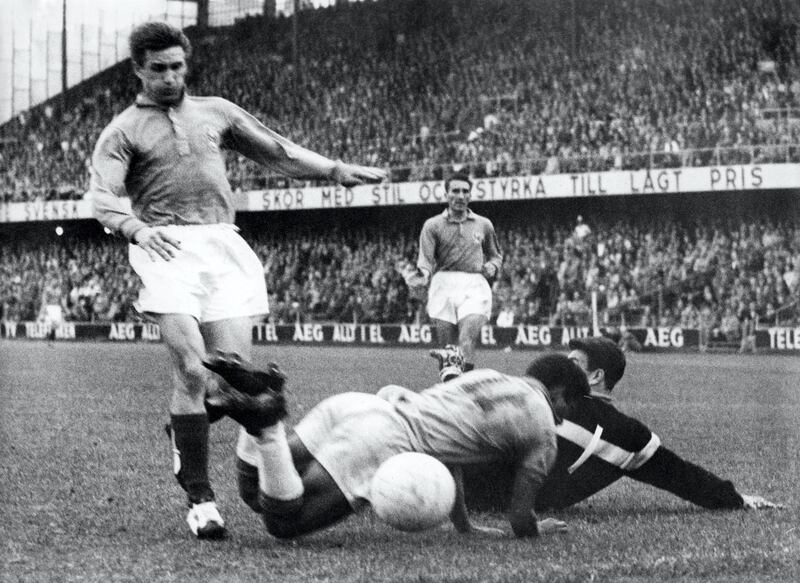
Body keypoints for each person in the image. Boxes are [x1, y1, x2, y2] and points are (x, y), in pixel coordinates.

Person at [88, 22, 385, 540]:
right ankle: (201, 499)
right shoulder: (121, 131)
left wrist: (335, 169)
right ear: (138, 69)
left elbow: (277, 150)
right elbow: (103, 197)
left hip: (223, 246)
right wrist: (135, 229)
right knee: (191, 367)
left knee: (233, 382)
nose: (169, 77)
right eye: (157, 69)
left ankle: (187, 430)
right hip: (165, 246)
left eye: (177, 66)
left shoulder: (217, 111)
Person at [203, 351, 591, 539]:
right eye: (569, 407)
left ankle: (257, 399)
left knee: (256, 493)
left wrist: (465, 525)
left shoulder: (490, 376)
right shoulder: (543, 434)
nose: (565, 417)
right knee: (282, 522)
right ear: (559, 394)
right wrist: (539, 531)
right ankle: (267, 423)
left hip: (360, 406)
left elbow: (449, 448)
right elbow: (519, 518)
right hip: (384, 440)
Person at [461, 337, 781, 512]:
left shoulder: (614, 429)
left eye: (571, 365)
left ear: (596, 377)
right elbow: (680, 475)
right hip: (478, 492)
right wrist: (735, 499)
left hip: (468, 489)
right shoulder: (625, 434)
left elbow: (679, 473)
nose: (559, 368)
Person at [399, 171, 502, 378]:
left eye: (465, 191)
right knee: (447, 348)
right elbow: (426, 260)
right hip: (443, 283)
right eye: (455, 190)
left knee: (466, 338)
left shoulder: (484, 224)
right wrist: (423, 275)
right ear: (446, 194)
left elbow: (495, 255)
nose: (461, 195)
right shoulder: (432, 225)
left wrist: (493, 266)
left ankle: (463, 391)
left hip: (474, 283)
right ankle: (450, 391)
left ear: (470, 195)